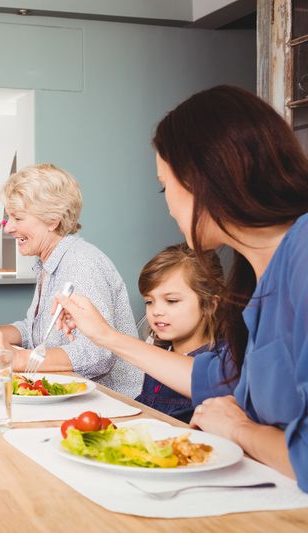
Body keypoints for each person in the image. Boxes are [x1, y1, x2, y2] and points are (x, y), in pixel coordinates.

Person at [55, 85, 308, 489]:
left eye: (165, 185)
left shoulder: (301, 259)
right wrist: (103, 334)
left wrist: (240, 431)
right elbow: (215, 379)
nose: (169, 204)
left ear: (203, 179)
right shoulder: (260, 275)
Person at [0, 164, 143, 398]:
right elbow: (33, 329)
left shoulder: (81, 264)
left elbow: (98, 352)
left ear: (52, 220)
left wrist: (20, 358)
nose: (8, 228)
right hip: (71, 393)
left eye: (17, 218)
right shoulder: (50, 262)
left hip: (113, 401)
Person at [133, 244, 231, 422]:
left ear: (209, 304)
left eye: (171, 301)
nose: (156, 311)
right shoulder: (157, 350)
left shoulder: (223, 361)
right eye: (149, 301)